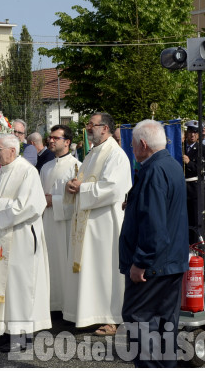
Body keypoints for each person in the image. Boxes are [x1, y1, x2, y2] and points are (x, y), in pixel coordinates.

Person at [119, 119, 189, 368]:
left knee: (141, 321)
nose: (132, 149)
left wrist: (140, 262)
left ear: (143, 144)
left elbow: (154, 224)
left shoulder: (152, 171)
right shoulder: (171, 165)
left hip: (153, 266)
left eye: (133, 145)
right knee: (165, 325)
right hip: (170, 262)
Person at [0, 134, 51, 353]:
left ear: (12, 150)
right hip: (1, 238)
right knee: (4, 285)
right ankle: (6, 331)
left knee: (20, 287)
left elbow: (31, 206)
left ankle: (21, 334)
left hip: (21, 238)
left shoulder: (27, 171)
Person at [63, 113, 132, 334]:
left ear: (105, 128)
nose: (88, 129)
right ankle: (88, 313)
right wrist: (74, 185)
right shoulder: (93, 153)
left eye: (91, 125)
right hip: (88, 223)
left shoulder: (116, 155)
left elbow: (113, 188)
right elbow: (85, 180)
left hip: (105, 225)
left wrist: (80, 188)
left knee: (106, 270)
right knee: (91, 269)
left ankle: (112, 317)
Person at [39, 125, 80, 313]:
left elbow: (76, 200)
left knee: (63, 263)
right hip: (46, 221)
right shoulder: (45, 167)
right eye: (50, 137)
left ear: (67, 142)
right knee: (48, 263)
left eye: (56, 138)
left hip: (65, 223)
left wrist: (52, 201)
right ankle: (50, 304)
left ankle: (66, 306)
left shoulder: (76, 166)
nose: (51, 140)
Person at [183, 120, 205, 242]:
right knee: (183, 218)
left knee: (195, 218)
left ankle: (195, 245)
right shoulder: (181, 147)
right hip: (182, 186)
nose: (192, 135)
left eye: (195, 133)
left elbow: (204, 169)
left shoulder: (202, 149)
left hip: (194, 187)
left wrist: (189, 163)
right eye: (190, 132)